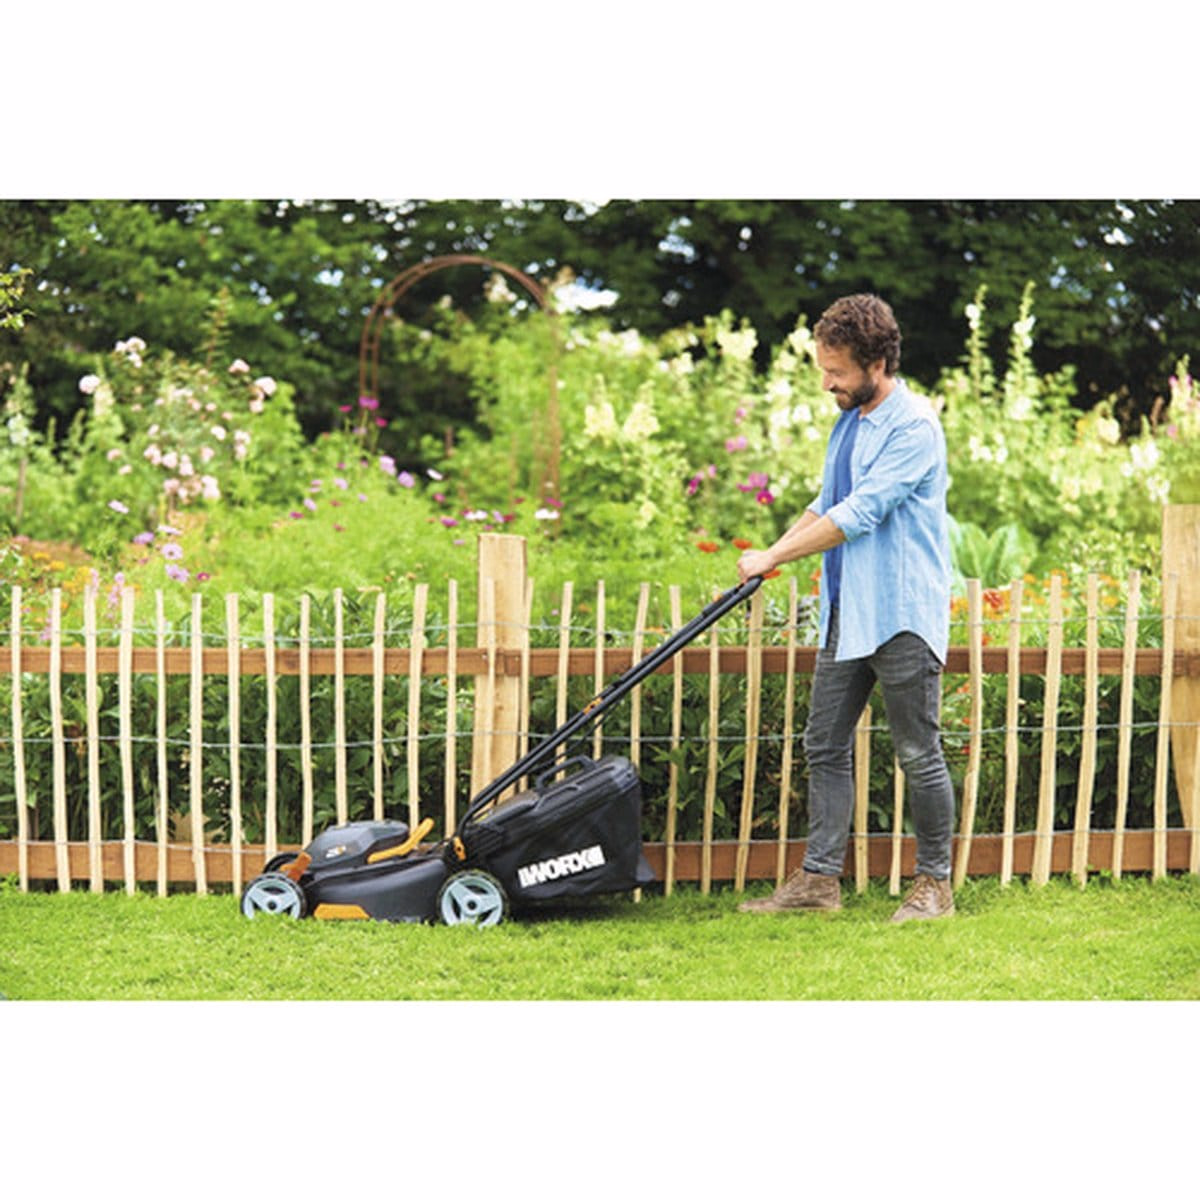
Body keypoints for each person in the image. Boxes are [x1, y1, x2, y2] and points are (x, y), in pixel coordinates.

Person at [736, 293, 956, 923]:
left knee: (918, 753)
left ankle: (935, 886)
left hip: (901, 612)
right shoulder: (850, 420)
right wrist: (773, 555)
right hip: (848, 610)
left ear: (877, 364)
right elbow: (826, 501)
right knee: (824, 743)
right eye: (824, 370)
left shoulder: (914, 426)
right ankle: (819, 881)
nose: (827, 383)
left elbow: (859, 514)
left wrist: (776, 555)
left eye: (836, 372)